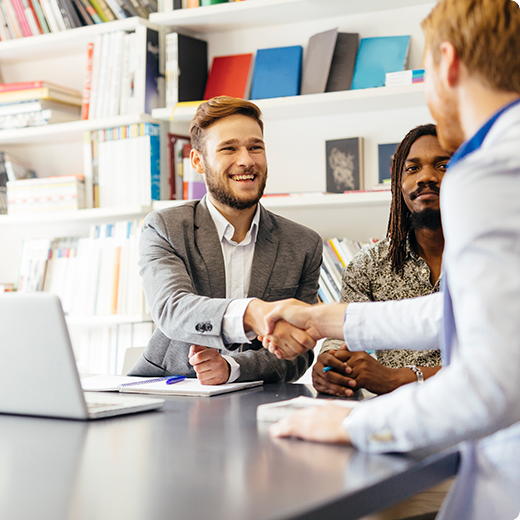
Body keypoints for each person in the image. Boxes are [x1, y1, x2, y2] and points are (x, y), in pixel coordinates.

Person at [263, 0, 520, 517]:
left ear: (447, 64)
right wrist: (321, 319)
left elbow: (494, 383)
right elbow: (456, 308)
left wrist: (354, 426)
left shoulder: (490, 169)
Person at [128, 96, 322, 384]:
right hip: (168, 388)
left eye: (255, 147)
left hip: (255, 397)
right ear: (198, 161)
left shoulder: (304, 244)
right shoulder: (165, 228)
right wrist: (252, 313)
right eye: (228, 148)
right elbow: (173, 309)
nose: (246, 160)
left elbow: (298, 353)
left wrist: (233, 367)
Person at [315, 124, 449, 397]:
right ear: (398, 186)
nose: (426, 177)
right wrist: (330, 365)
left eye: (443, 166)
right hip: (390, 421)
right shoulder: (368, 265)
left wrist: (400, 378)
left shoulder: (493, 257)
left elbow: (502, 359)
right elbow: (341, 336)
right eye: (412, 169)